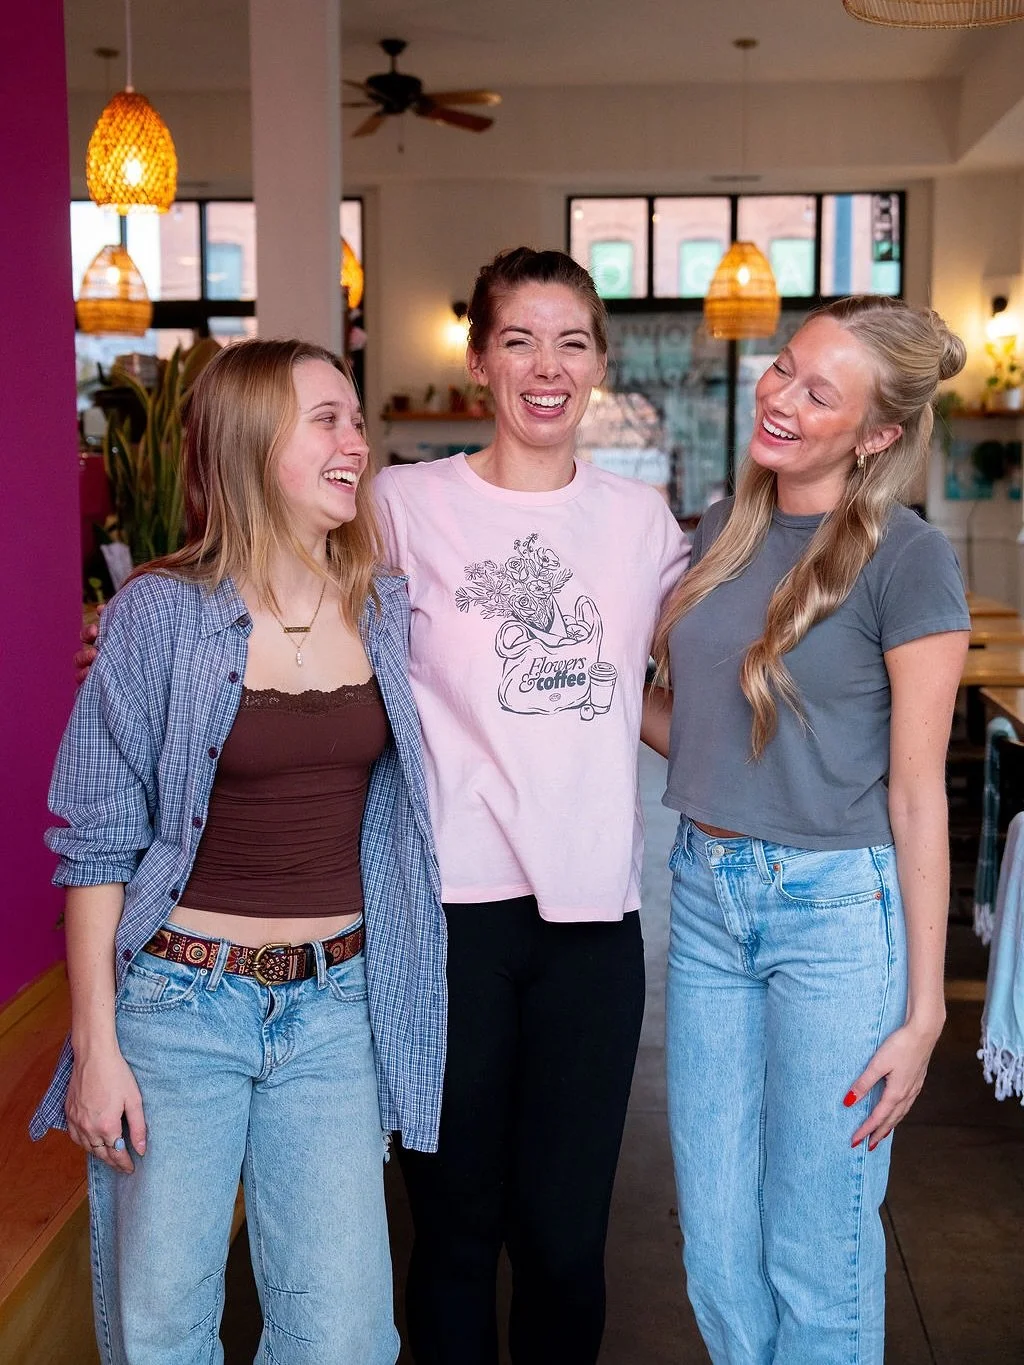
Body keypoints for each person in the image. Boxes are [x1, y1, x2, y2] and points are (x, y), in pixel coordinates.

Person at [33, 339, 447, 1365]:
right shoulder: (161, 615)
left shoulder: (382, 607)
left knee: (344, 1335)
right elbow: (95, 845)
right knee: (164, 1329)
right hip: (179, 1006)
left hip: (336, 1005)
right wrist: (97, 1047)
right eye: (328, 420)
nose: (357, 442)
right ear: (254, 443)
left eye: (357, 418)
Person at [373, 247, 690, 1365]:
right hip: (449, 917)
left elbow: (650, 693)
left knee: (563, 1244)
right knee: (454, 1235)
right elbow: (308, 630)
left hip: (593, 926)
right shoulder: (405, 507)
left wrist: (766, 772)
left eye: (569, 341)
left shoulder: (641, 521)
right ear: (478, 362)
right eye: (518, 339)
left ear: (598, 364)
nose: (545, 366)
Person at [646, 296, 971, 1363]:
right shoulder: (720, 529)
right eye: (784, 367)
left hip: (834, 916)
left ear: (877, 435)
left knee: (814, 1244)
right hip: (702, 897)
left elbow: (917, 795)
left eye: (815, 391)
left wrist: (923, 1013)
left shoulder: (908, 559)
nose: (777, 396)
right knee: (713, 1247)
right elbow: (696, 731)